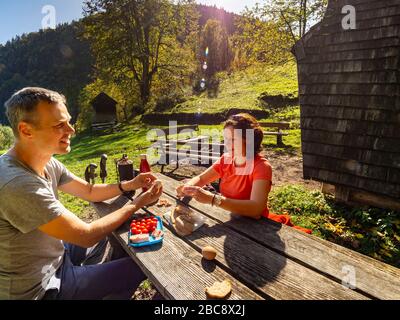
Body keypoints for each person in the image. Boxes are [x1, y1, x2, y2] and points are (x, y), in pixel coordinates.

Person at [0, 87, 163, 300]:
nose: (72, 130)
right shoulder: (17, 184)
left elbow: (89, 191)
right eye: (60, 125)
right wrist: (136, 203)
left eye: (68, 121)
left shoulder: (45, 160)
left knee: (111, 236)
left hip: (55, 257)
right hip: (40, 289)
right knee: (142, 265)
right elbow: (86, 236)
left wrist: (130, 184)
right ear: (26, 130)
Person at [176, 113, 311, 234]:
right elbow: (201, 178)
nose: (228, 145)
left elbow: (256, 209)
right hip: (231, 222)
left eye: (233, 140)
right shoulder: (226, 159)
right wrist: (187, 187)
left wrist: (213, 199)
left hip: (257, 229)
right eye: (226, 139)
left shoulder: (262, 167)